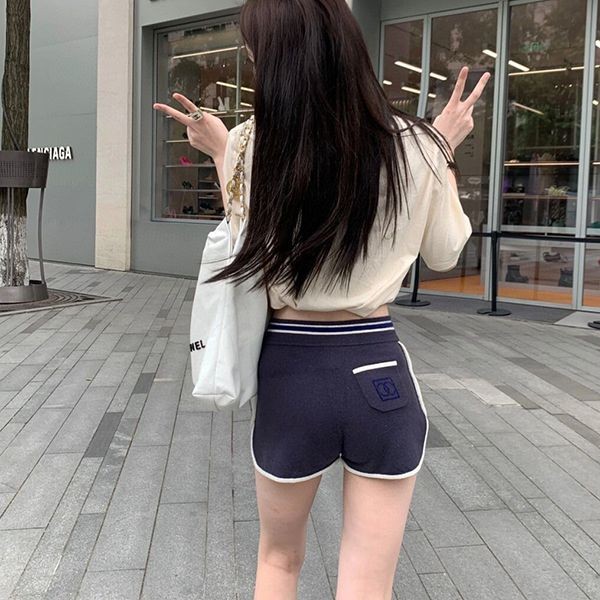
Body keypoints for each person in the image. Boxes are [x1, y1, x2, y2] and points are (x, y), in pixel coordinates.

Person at [154, 1, 490, 598]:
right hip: (377, 372)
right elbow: (444, 253)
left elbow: (244, 235)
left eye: (255, 48)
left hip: (293, 374)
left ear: (276, 57)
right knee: (368, 582)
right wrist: (442, 148)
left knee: (279, 560)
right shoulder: (417, 144)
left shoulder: (250, 143)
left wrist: (223, 148)